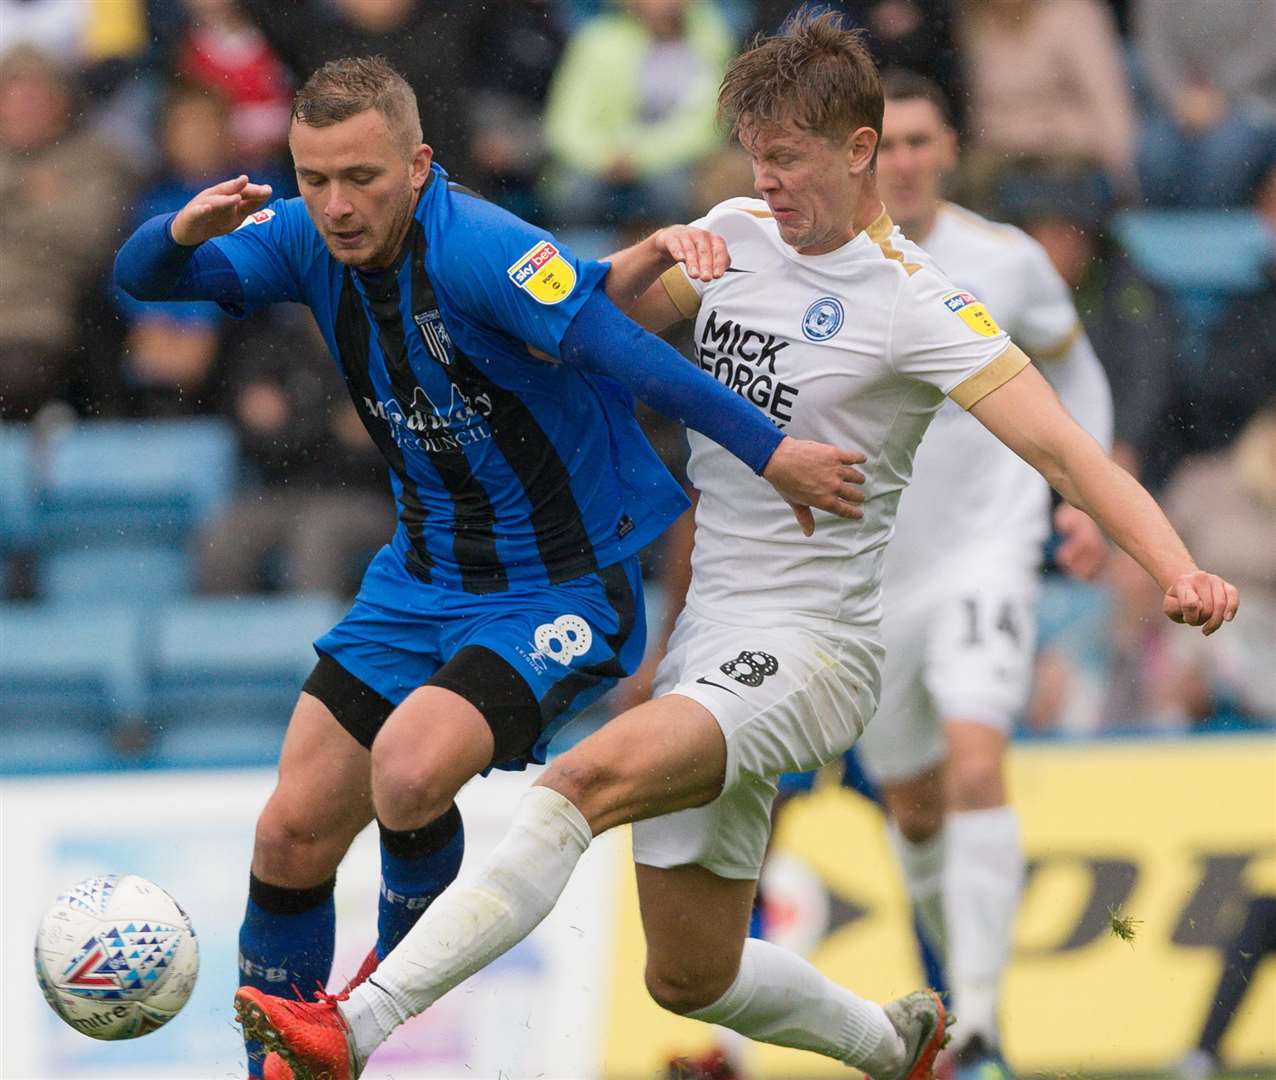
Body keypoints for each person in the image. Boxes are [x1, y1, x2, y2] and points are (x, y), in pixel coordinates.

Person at [231, 17, 1239, 1080]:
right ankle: (891, 1044)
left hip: (814, 649)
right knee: (690, 974)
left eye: (790, 160)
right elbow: (571, 332)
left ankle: (355, 1026)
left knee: (576, 783)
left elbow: (1070, 455)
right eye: (757, 158)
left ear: (859, 150)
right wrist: (653, 254)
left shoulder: (922, 308)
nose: (769, 183)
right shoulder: (734, 235)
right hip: (706, 640)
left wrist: (1172, 567)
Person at [113, 55, 859, 1080]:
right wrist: (179, 232)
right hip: (417, 580)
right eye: (314, 177)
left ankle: (364, 1013)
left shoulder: (485, 250)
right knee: (289, 832)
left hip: (557, 588)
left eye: (362, 179)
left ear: (419, 165)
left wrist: (773, 452)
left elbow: (619, 348)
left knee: (410, 769)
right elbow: (143, 279)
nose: (335, 205)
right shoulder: (303, 239)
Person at [846, 68, 1116, 1077]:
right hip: (871, 583)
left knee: (975, 761)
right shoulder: (825, 264)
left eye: (923, 140)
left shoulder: (1005, 264)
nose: (907, 160)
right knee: (912, 807)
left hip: (984, 554)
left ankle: (985, 1031)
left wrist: (1076, 493)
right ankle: (962, 1006)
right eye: (889, 143)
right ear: (859, 153)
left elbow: (1073, 366)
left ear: (952, 148)